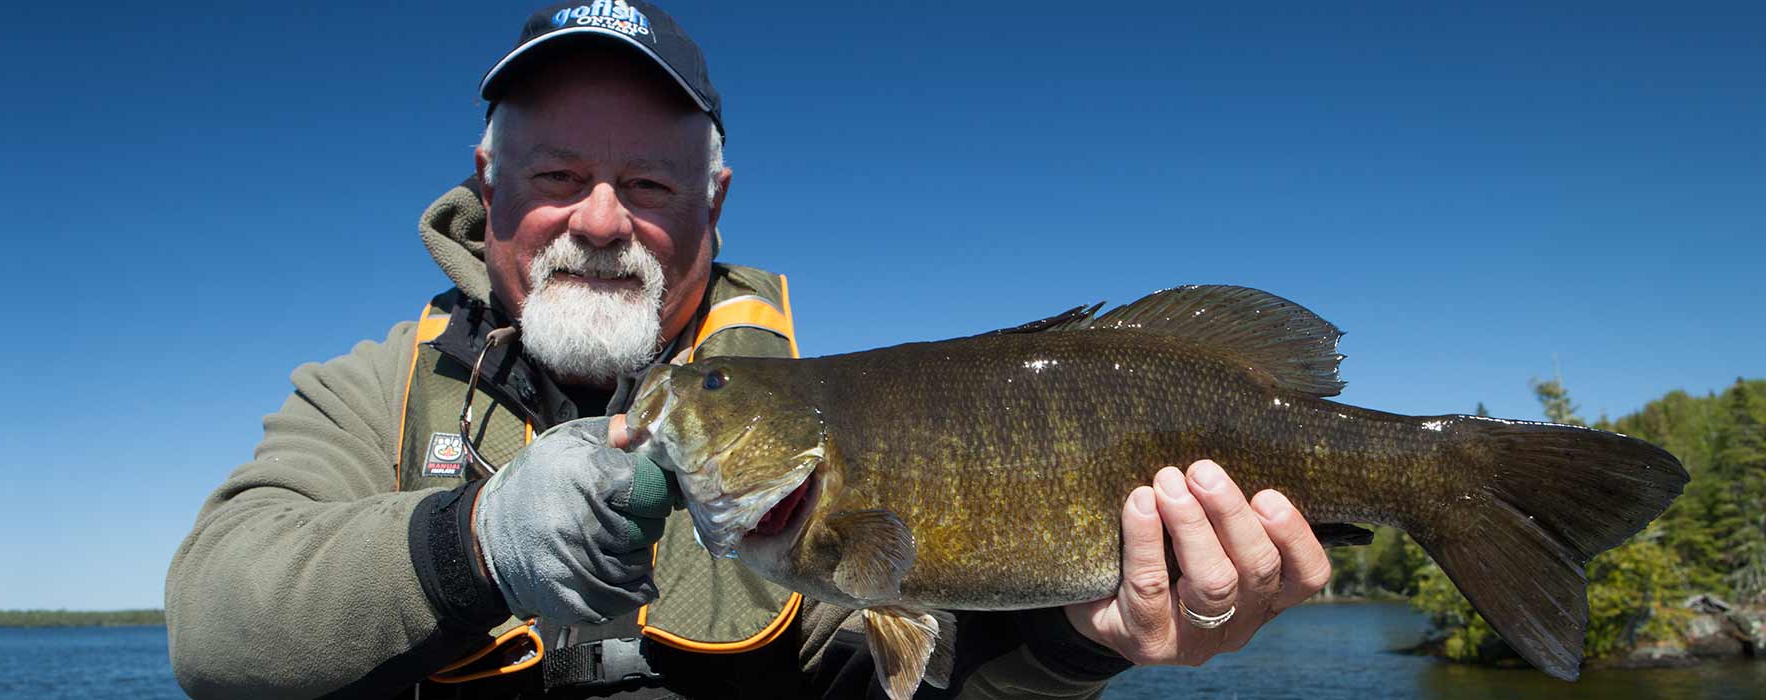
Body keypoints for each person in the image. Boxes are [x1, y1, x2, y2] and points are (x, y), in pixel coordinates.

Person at [164, 2, 1334, 698]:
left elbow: (920, 678)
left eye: (651, 183)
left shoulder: (805, 413)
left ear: (714, 206)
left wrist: (1085, 646)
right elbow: (211, 625)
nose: (604, 219)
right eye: (560, 177)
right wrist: (475, 539)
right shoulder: (375, 392)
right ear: (489, 188)